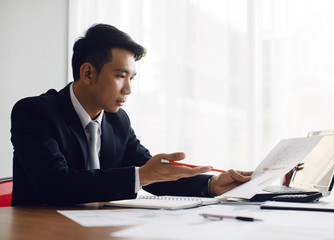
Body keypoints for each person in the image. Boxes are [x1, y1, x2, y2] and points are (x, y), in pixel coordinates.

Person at [10, 24, 252, 206]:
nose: (128, 90)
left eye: (132, 78)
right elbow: (56, 184)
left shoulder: (117, 120)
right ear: (87, 73)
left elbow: (152, 173)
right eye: (120, 76)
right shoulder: (34, 112)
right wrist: (142, 174)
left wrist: (210, 185)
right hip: (40, 229)